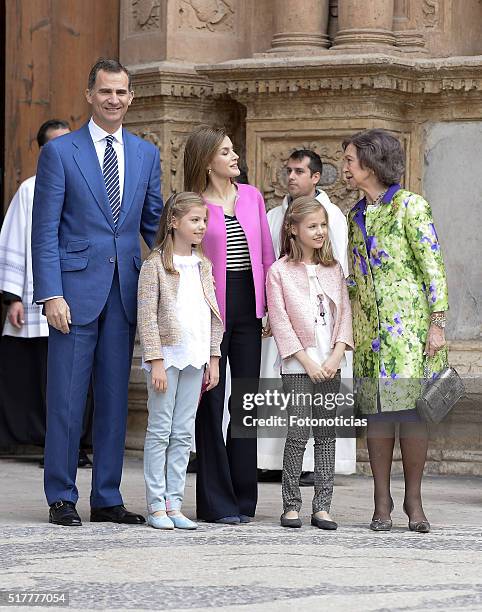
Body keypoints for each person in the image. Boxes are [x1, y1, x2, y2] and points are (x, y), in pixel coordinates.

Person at [31, 59, 163, 527]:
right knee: (67, 399)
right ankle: (61, 495)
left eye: (121, 92)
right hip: (73, 293)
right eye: (105, 91)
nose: (113, 100)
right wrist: (50, 293)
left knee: (113, 398)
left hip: (125, 291)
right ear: (90, 95)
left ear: (131, 98)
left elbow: (154, 226)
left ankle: (106, 496)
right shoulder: (61, 152)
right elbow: (44, 230)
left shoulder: (146, 154)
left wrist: (189, 265)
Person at [343, 129, 449, 533]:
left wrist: (437, 327)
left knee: (413, 414)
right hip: (371, 330)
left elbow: (433, 268)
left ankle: (414, 501)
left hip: (411, 330)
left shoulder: (411, 206)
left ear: (370, 163)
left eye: (351, 159)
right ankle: (381, 500)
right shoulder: (355, 215)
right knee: (377, 415)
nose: (347, 167)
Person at [183, 125, 275, 524]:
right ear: (207, 162)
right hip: (210, 315)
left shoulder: (253, 197)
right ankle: (216, 502)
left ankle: (243, 499)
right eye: (225, 152)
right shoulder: (194, 205)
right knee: (210, 403)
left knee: (247, 405)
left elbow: (268, 256)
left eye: (233, 150)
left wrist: (270, 307)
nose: (235, 156)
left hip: (250, 312)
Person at [0, 119, 93, 466]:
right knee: (47, 379)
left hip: (83, 293)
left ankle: (81, 444)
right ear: (44, 151)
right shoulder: (30, 189)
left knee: (83, 377)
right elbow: (15, 241)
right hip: (44, 298)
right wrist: (14, 298)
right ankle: (52, 445)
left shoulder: (88, 183)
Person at [259, 149, 353, 485]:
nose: (292, 177)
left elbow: (338, 274)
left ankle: (318, 473)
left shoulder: (334, 218)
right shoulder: (273, 217)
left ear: (315, 176)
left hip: (324, 332)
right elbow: (268, 263)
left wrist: (336, 351)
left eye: (300, 171)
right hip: (287, 325)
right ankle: (271, 464)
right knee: (289, 411)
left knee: (323, 423)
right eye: (288, 171)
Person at [138, 192, 223, 530]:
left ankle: (175, 502)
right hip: (167, 359)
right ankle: (155, 505)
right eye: (194, 220)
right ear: (174, 222)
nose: (202, 226)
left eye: (204, 220)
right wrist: (155, 360)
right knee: (160, 429)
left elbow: (213, 314)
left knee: (183, 432)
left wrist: (213, 358)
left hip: (196, 357)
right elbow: (146, 316)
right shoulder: (155, 264)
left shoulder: (204, 265)